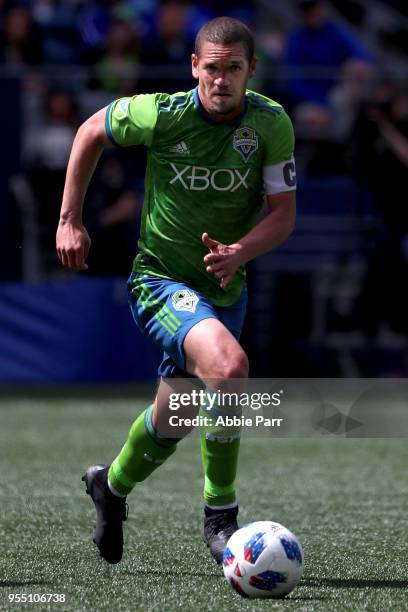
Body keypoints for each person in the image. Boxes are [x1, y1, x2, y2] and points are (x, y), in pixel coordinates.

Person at [56, 16, 296, 565]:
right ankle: (221, 515)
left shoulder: (271, 124)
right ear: (194, 68)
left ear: (251, 71)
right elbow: (90, 129)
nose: (221, 80)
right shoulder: (163, 114)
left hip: (225, 288)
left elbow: (283, 216)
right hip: (161, 280)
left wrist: (241, 252)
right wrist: (71, 218)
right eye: (211, 69)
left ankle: (109, 486)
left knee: (177, 415)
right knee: (230, 370)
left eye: (233, 69)